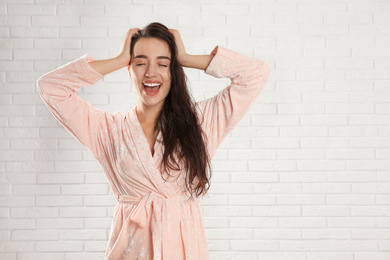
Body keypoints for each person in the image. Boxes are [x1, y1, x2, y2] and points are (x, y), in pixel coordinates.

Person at [36, 22, 270, 260]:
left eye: (163, 63)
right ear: (129, 69)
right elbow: (51, 87)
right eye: (139, 62)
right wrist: (118, 59)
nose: (150, 72)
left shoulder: (200, 123)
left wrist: (186, 58)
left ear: (174, 70)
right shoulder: (106, 130)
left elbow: (255, 74)